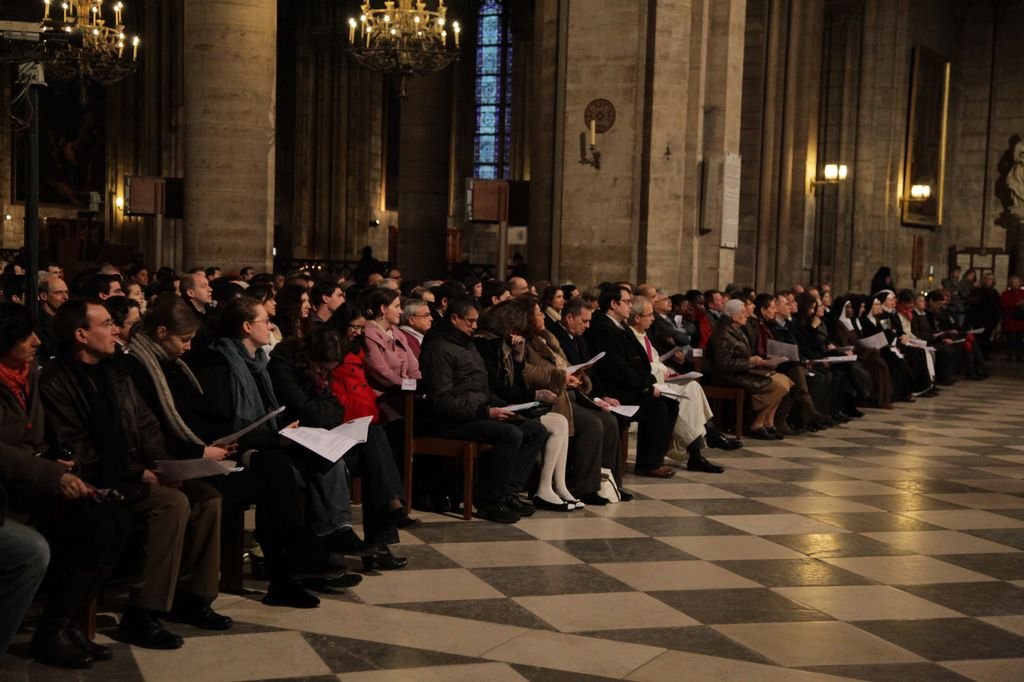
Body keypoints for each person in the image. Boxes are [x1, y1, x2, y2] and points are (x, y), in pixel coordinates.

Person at [40, 299, 229, 651]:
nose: (117, 330)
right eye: (108, 324)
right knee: (172, 503)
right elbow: (75, 446)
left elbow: (147, 427)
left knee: (208, 498)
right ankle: (143, 612)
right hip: (100, 478)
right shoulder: (56, 379)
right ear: (81, 334)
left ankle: (193, 597)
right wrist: (139, 473)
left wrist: (163, 465)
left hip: (137, 471)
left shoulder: (117, 370)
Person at [125, 298, 326, 608]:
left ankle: (287, 571)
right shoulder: (144, 367)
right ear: (162, 332)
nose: (189, 347)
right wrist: (203, 449)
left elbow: (197, 416)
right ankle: (292, 563)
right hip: (176, 458)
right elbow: (159, 425)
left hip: (209, 448)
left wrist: (218, 444)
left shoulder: (178, 364)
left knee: (276, 470)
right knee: (269, 472)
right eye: (184, 339)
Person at [187, 297, 374, 567]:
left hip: (269, 438)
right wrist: (278, 437)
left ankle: (334, 538)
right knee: (294, 466)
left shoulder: (258, 362)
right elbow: (229, 428)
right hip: (244, 447)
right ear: (247, 327)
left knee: (329, 455)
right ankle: (307, 554)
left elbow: (322, 407)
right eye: (265, 321)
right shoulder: (222, 366)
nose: (270, 325)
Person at [0, 302, 131, 668]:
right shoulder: (44, 376)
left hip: (31, 480)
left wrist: (53, 460)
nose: (36, 341)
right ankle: (51, 630)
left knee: (115, 520)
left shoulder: (29, 374)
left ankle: (68, 623)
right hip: (10, 491)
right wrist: (50, 472)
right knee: (90, 527)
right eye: (27, 336)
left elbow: (34, 439)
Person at [269, 328, 416, 570]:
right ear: (310, 358)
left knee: (374, 435)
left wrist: (322, 412)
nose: (325, 374)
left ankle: (388, 509)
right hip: (297, 443)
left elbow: (334, 408)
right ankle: (376, 532)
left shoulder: (316, 370)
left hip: (320, 435)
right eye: (324, 368)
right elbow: (305, 408)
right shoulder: (282, 367)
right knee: (364, 460)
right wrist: (322, 412)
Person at [418, 295, 547, 523]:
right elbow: (442, 401)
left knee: (534, 429)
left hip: (474, 412)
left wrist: (510, 407)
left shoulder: (467, 344)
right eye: (470, 321)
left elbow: (482, 389)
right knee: (510, 434)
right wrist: (486, 413)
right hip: (449, 422)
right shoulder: (438, 348)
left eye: (477, 321)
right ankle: (490, 501)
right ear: (454, 318)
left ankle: (509, 493)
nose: (475, 326)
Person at [475, 300, 576, 511]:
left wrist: (519, 356)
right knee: (541, 427)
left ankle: (549, 486)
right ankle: (522, 491)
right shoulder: (485, 343)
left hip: (511, 402)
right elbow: (498, 386)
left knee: (556, 422)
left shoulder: (509, 344)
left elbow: (515, 382)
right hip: (493, 405)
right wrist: (534, 394)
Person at [625, 296, 730, 473]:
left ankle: (704, 441)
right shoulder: (629, 336)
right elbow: (640, 366)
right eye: (649, 315)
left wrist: (665, 369)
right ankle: (700, 447)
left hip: (659, 379)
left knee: (692, 386)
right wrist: (662, 370)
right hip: (648, 384)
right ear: (637, 318)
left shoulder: (644, 334)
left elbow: (655, 359)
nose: (653, 318)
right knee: (680, 400)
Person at [586, 285, 679, 477]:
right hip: (613, 388)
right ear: (613, 304)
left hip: (628, 384)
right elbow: (616, 368)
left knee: (671, 404)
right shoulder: (602, 327)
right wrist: (645, 388)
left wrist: (649, 382)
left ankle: (655, 459)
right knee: (657, 408)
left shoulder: (619, 325)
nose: (630, 305)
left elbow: (638, 360)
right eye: (627, 302)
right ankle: (648, 464)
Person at [706, 299, 794, 440]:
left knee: (785, 380)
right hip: (727, 376)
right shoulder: (722, 334)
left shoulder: (737, 330)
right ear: (734, 316)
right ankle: (757, 424)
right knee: (777, 384)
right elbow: (724, 364)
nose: (747, 314)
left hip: (741, 371)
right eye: (743, 312)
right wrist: (750, 361)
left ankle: (768, 422)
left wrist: (759, 361)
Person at [360, 287, 421, 423]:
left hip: (406, 393)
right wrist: (412, 385)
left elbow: (413, 366)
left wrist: (420, 385)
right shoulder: (369, 335)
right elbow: (383, 374)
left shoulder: (398, 333)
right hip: (384, 397)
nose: (401, 311)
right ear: (383, 309)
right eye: (397, 306)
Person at [1000, 275, 1024, 362]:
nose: (1016, 284)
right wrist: (1016, 304)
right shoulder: (1006, 294)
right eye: (1014, 282)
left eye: (1018, 282)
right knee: (1010, 339)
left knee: (1020, 339)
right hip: (1010, 318)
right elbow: (1003, 305)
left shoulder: (1023, 293)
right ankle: (1009, 355)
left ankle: (1019, 356)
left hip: (1021, 319)